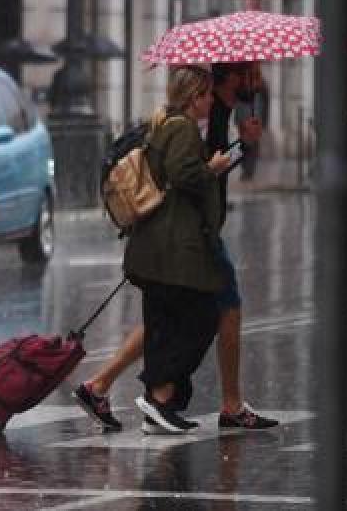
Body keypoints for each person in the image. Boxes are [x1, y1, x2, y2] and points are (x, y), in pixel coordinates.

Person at [74, 62, 279, 432]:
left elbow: (196, 168)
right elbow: (191, 174)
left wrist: (240, 149)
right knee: (206, 311)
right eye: (249, 72)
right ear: (224, 80)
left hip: (181, 235)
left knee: (167, 316)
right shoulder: (194, 120)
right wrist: (226, 159)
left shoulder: (196, 116)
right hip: (186, 236)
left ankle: (113, 388)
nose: (256, 80)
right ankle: (171, 397)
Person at [114, 65, 230, 434]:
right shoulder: (180, 127)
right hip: (173, 247)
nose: (211, 101)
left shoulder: (164, 124)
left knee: (164, 323)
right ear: (194, 96)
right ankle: (159, 395)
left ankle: (157, 406)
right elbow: (184, 175)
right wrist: (212, 168)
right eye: (207, 94)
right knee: (201, 318)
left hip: (156, 246)